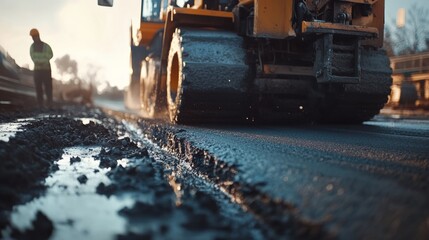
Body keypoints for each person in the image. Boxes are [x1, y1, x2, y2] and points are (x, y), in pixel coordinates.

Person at [29, 28, 53, 108]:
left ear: (37, 36)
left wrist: (40, 61)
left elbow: (51, 55)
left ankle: (49, 104)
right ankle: (40, 104)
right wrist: (43, 61)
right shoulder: (32, 47)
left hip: (46, 70)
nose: (33, 38)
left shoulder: (46, 46)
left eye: (34, 36)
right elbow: (33, 57)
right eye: (32, 37)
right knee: (38, 88)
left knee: (48, 87)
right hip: (37, 71)